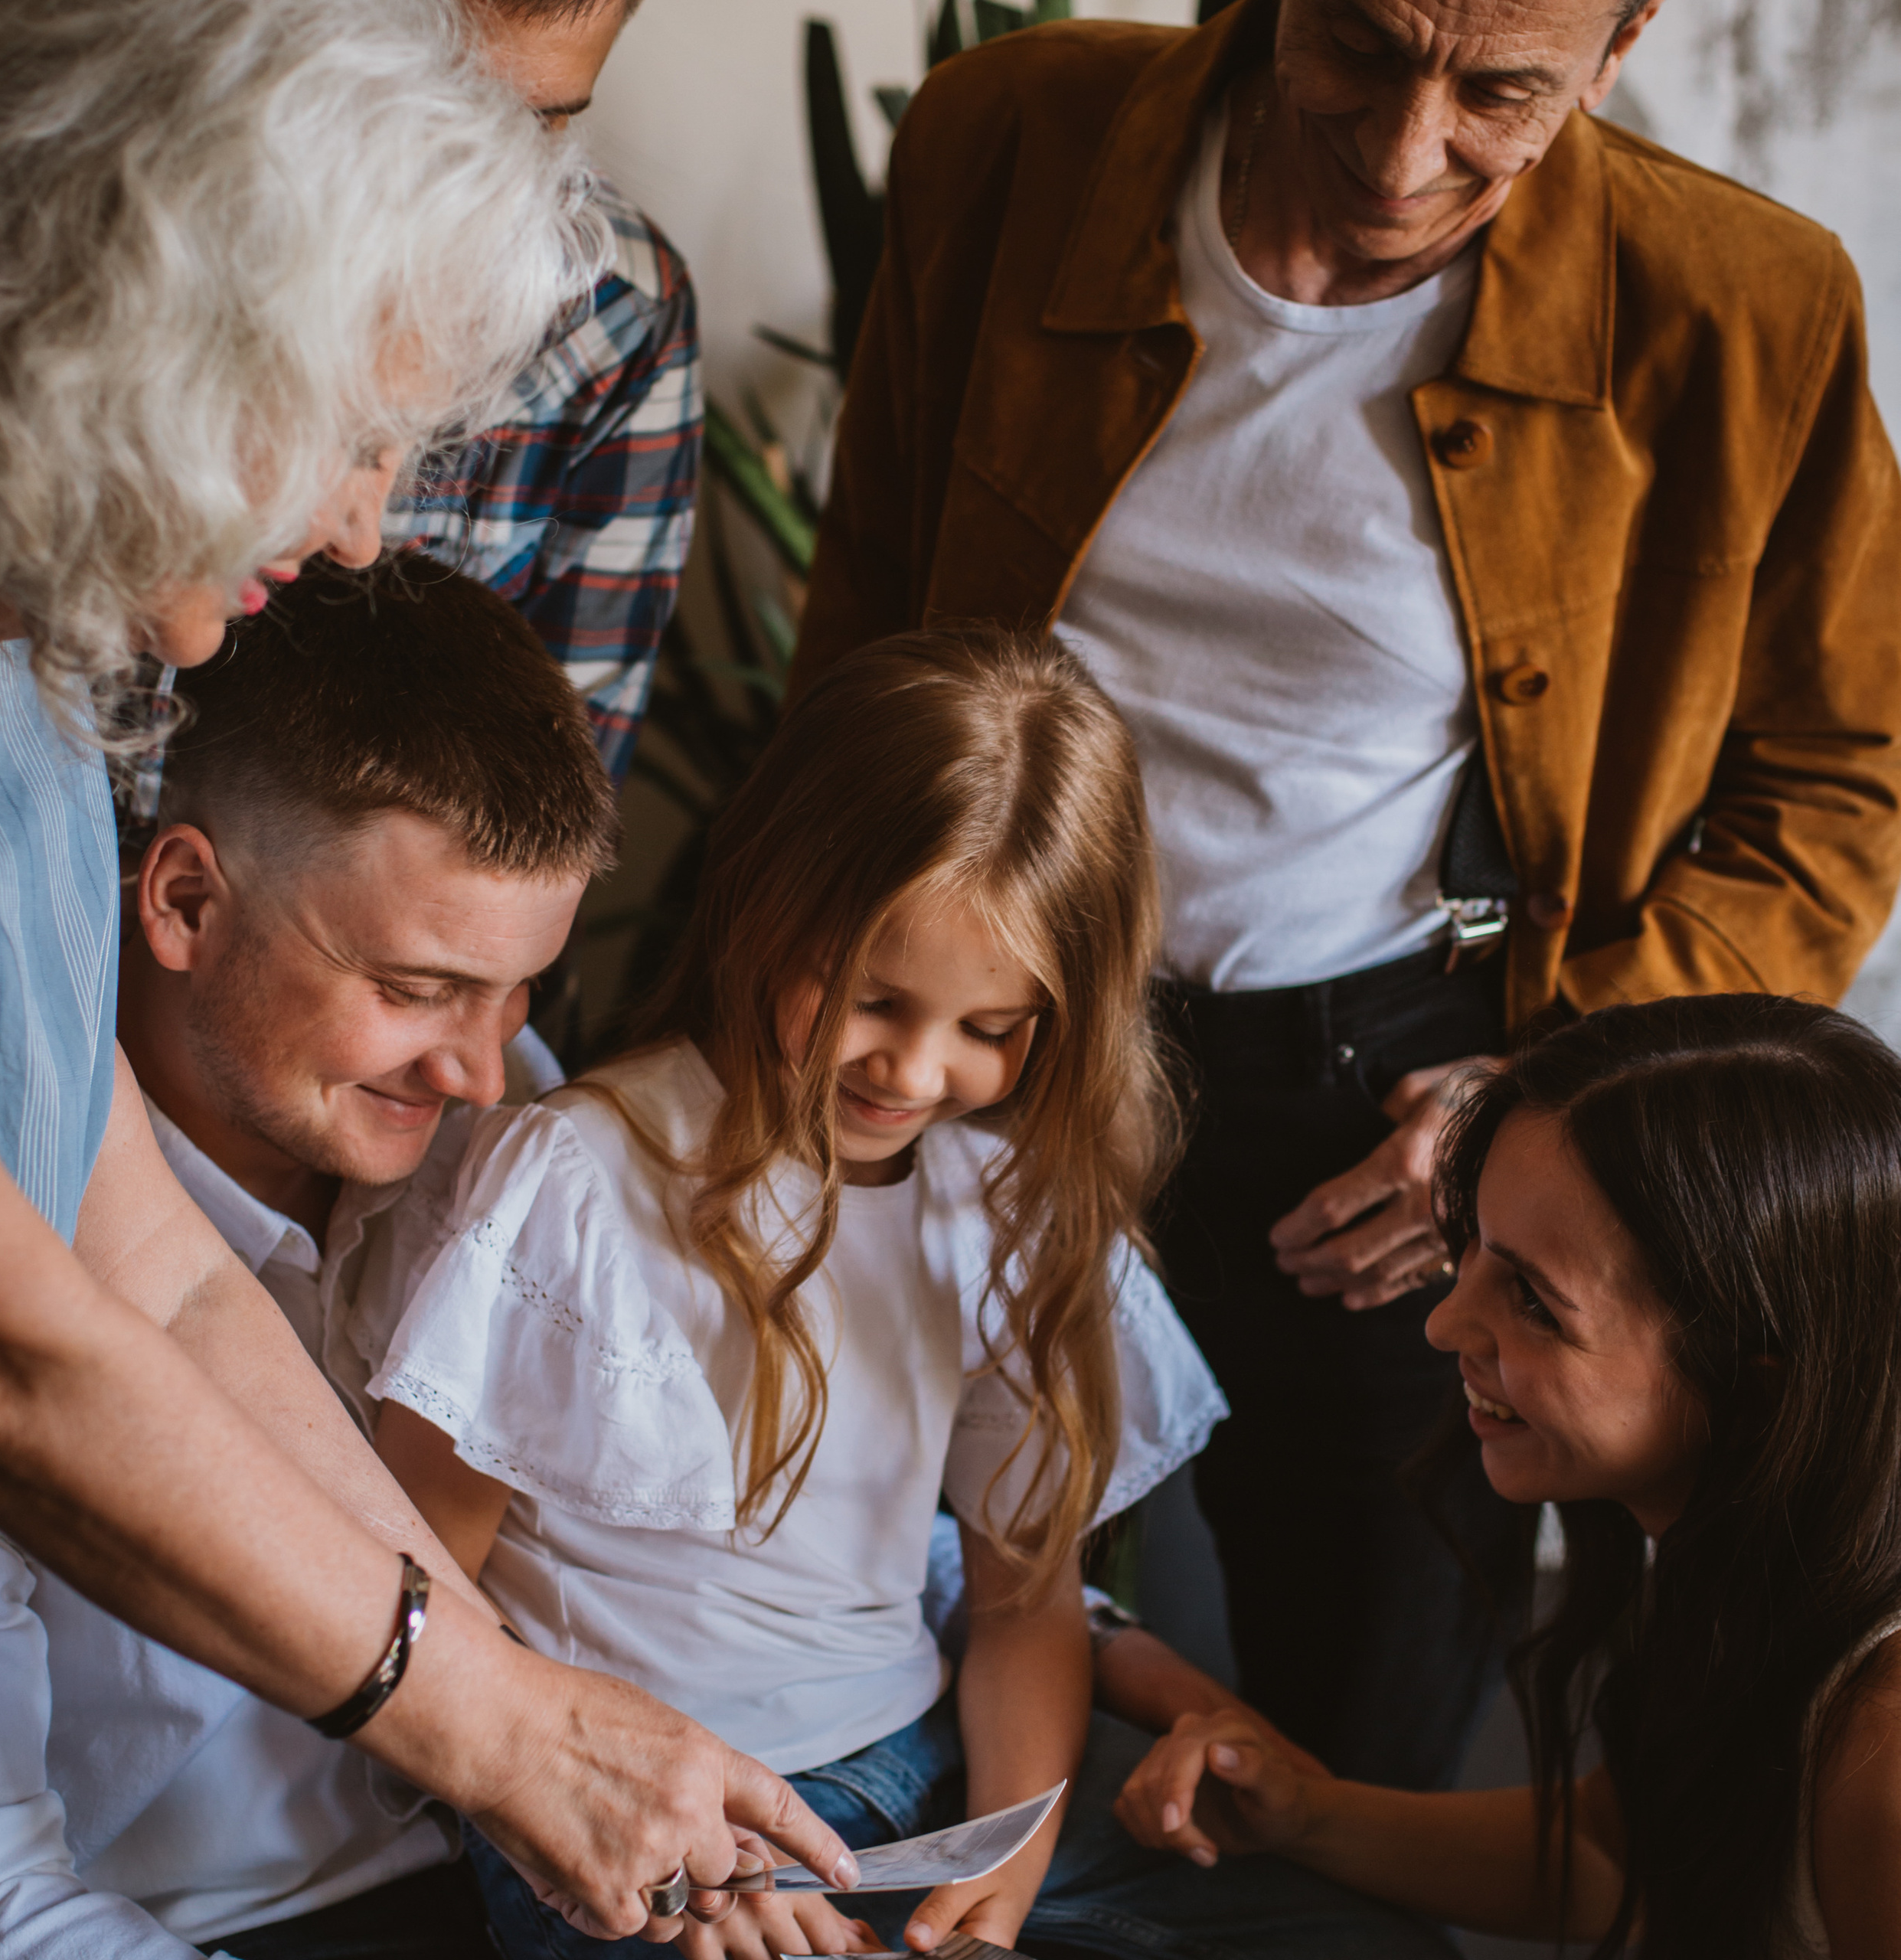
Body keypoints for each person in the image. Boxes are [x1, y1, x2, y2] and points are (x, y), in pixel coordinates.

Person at [790, 0, 1901, 1789]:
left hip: (1393, 1089)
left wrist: (1533, 1104)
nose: (1402, 153)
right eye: (1363, 50)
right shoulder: (1008, 139)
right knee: (866, 1628)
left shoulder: (1736, 302)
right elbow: (864, 614)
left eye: (1498, 94)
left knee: (1347, 1732)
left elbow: (1835, 775)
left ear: (1613, 48)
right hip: (979, 1049)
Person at [0, 0, 852, 1934]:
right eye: (355, 433)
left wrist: (527, 1711)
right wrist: (508, 1745)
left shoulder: (17, 692)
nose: (366, 523)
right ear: (150, 341)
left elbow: (151, 1272)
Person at [349, 629, 1452, 1960]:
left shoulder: (998, 1213)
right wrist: (685, 1858)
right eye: (873, 997)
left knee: (1365, 1943)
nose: (914, 1073)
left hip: (927, 1767)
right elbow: (421, 1581)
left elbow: (1019, 1606)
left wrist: (1007, 1872)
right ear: (770, 899)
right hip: (647, 1816)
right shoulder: (578, 1174)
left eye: (990, 1029)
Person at [0, 556, 617, 1960]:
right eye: (417, 991)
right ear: (184, 903)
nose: (482, 1070)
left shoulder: (526, 1147)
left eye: (516, 994)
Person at [1115, 993, 1901, 1959]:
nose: (1444, 1326)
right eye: (1472, 1249)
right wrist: (1308, 1813)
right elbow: (1614, 1851)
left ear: (1749, 1385)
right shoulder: (1745, 1556)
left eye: (1533, 1300)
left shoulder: (1883, 1744)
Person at [401, 0, 698, 776]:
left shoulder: (618, 317)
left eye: (537, 126)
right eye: (430, 107)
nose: (470, 182)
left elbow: (555, 783)